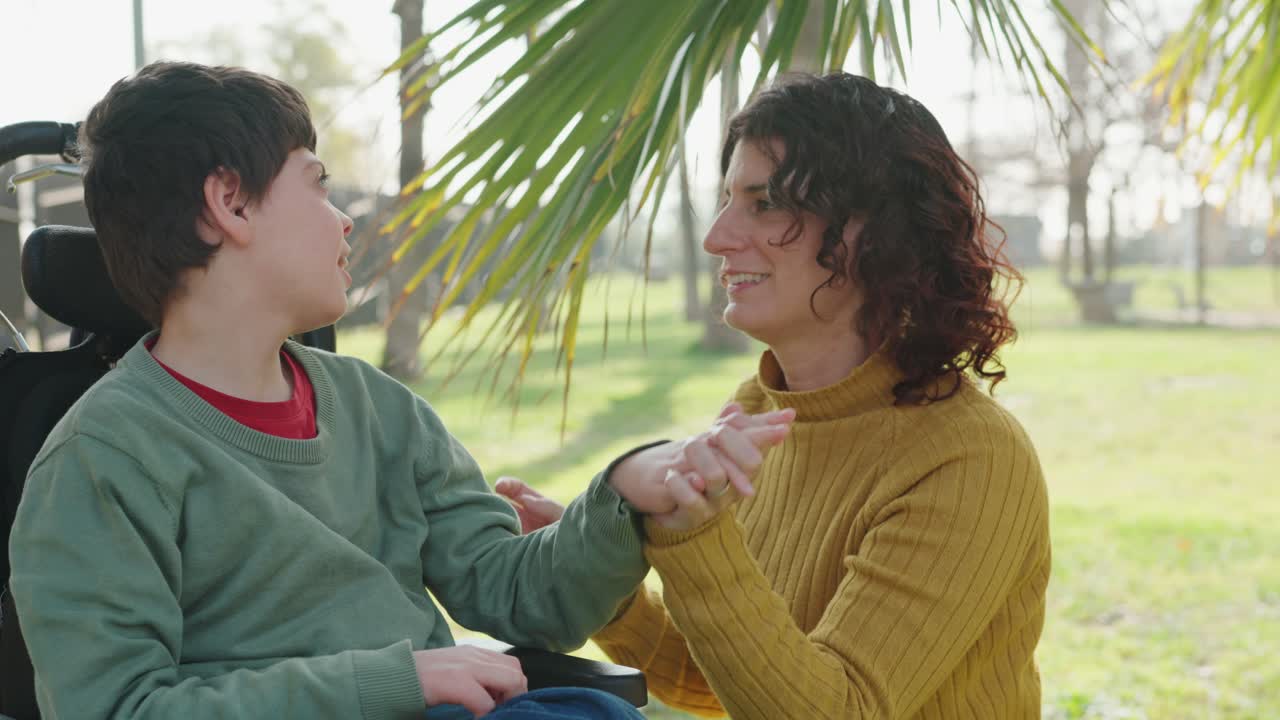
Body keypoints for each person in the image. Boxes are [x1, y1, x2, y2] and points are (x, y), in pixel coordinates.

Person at [6, 62, 796, 720]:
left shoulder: (378, 411)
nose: (344, 220)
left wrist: (625, 491)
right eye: (316, 187)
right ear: (230, 203)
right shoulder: (102, 460)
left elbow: (522, 598)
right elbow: (117, 709)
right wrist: (398, 680)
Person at [496, 72, 1050, 719]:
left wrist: (692, 535)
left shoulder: (968, 458)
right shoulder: (762, 410)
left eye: (765, 203)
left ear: (875, 232)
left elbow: (835, 709)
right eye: (728, 200)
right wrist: (600, 574)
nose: (718, 238)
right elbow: (724, 679)